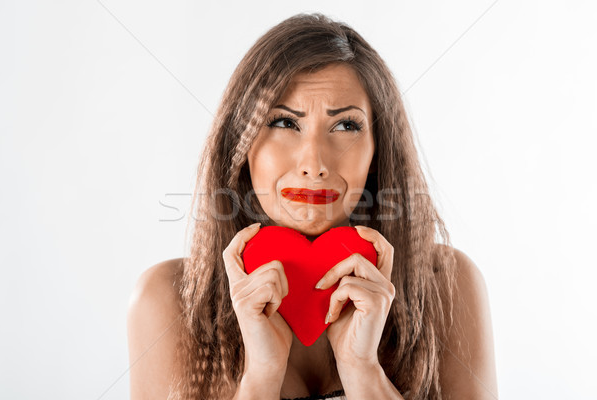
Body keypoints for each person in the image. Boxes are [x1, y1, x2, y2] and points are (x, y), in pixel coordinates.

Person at [127, 12, 497, 400]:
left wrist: (363, 371)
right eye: (285, 123)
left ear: (377, 151)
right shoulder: (165, 300)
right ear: (241, 143)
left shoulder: (447, 284)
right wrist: (261, 377)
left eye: (346, 126)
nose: (314, 164)